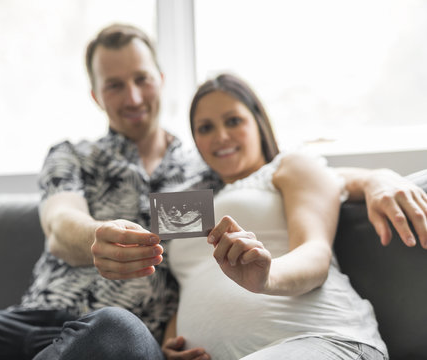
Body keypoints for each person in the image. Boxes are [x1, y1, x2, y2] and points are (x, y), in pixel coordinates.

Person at [0, 23, 425, 359]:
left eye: (141, 78)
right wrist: (98, 234)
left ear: (161, 79)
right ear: (96, 95)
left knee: (114, 333)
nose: (133, 95)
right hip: (38, 317)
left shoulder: (202, 170)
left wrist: (377, 178)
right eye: (115, 85)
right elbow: (60, 225)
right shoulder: (74, 154)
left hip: (119, 338)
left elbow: (294, 179)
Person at [160, 73, 392, 359]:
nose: (220, 136)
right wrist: (171, 343)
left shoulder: (290, 166)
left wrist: (266, 278)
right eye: (205, 128)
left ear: (258, 121)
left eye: (233, 121)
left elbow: (315, 253)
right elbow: (192, 277)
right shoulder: (191, 206)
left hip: (322, 338)